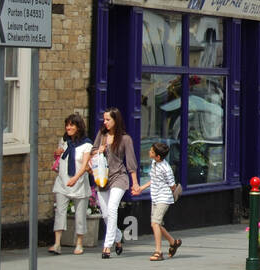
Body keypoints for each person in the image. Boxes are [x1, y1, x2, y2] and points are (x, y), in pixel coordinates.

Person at [90, 107, 139, 259]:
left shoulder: (125, 139)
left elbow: (131, 162)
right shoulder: (101, 135)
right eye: (104, 119)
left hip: (119, 176)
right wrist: (100, 150)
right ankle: (118, 239)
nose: (105, 122)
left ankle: (107, 246)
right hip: (102, 177)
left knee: (112, 208)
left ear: (115, 121)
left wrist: (135, 183)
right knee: (105, 214)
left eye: (108, 120)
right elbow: (92, 151)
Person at [49, 113, 94, 255]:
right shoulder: (64, 140)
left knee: (80, 215)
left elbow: (85, 165)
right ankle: (57, 243)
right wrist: (57, 152)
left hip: (79, 183)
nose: (68, 127)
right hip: (62, 182)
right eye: (67, 124)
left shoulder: (87, 144)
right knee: (60, 212)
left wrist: (75, 178)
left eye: (71, 125)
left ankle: (79, 243)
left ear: (78, 127)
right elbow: (60, 157)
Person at [133, 142, 181, 261]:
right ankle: (173, 242)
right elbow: (153, 180)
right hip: (155, 197)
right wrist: (140, 189)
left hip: (163, 198)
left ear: (158, 156)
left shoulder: (166, 168)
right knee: (156, 224)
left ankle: (158, 252)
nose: (149, 152)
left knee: (155, 223)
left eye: (151, 151)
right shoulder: (154, 163)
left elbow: (173, 186)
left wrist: (174, 193)